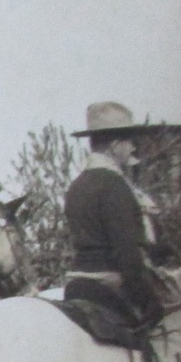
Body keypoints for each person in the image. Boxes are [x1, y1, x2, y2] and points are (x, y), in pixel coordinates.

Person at [63, 101, 164, 327]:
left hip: (77, 284)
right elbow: (127, 253)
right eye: (129, 141)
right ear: (115, 145)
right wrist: (148, 300)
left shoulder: (76, 186)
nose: (133, 148)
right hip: (109, 285)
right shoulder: (115, 186)